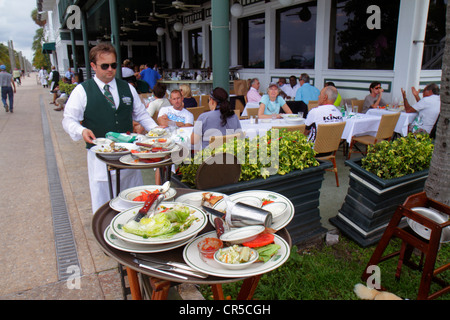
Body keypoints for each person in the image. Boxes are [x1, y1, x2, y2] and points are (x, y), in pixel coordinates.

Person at [62, 43, 158, 214]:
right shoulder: (82, 91)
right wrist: (81, 130)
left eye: (113, 65)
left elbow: (141, 115)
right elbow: (69, 119)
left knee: (132, 198)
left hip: (128, 155)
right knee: (104, 202)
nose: (110, 69)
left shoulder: (127, 88)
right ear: (93, 66)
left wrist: (157, 132)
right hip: (100, 156)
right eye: (104, 66)